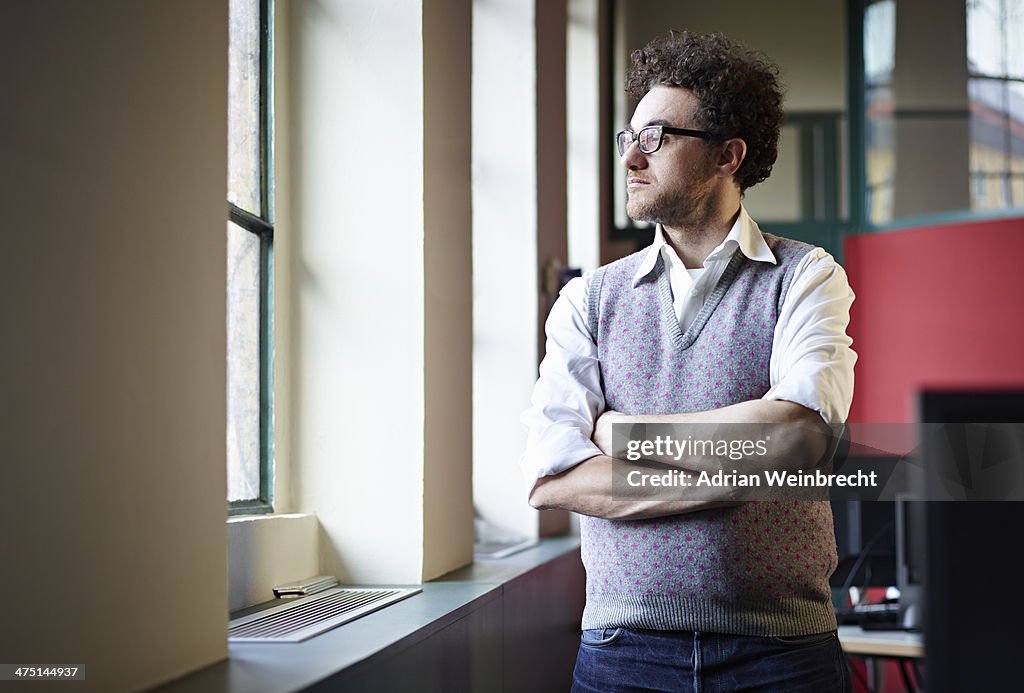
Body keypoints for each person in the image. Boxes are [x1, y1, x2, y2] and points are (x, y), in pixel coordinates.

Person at [520, 29, 857, 692]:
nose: (629, 159)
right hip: (622, 654)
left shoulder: (807, 277)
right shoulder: (589, 299)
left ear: (727, 155)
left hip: (782, 653)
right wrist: (739, 470)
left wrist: (620, 435)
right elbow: (550, 480)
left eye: (657, 137)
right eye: (628, 138)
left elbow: (796, 438)